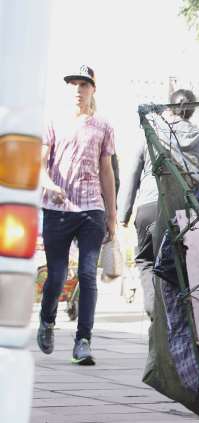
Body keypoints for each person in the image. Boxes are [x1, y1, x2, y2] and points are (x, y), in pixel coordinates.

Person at [37, 65, 117, 366]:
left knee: (87, 274)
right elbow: (39, 165)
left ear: (93, 89)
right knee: (57, 276)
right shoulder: (53, 121)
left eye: (83, 84)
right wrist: (49, 185)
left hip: (91, 208)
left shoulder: (103, 125)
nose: (78, 90)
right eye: (73, 84)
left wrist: (112, 215)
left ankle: (83, 341)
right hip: (57, 209)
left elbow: (107, 171)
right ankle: (47, 320)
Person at [119, 89, 199, 317]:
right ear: (193, 110)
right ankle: (177, 318)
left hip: (150, 207)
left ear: (169, 108)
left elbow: (132, 175)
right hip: (188, 211)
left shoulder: (152, 134)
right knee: (182, 266)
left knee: (147, 260)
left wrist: (123, 214)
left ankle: (154, 309)